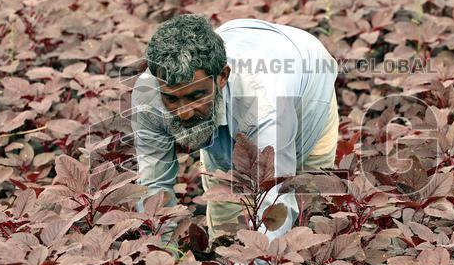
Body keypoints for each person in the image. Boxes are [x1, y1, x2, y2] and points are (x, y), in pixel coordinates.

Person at [130, 13, 339, 249]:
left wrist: (253, 264)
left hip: (309, 89)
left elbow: (275, 202)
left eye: (195, 96)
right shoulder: (149, 95)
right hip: (238, 92)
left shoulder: (265, 106)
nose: (184, 113)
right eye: (171, 98)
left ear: (222, 77)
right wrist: (162, 251)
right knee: (224, 223)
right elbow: (154, 183)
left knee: (306, 211)